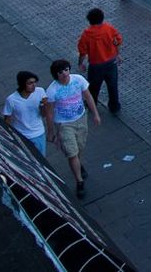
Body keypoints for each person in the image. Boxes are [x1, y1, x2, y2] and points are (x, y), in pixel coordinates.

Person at [44, 59, 101, 198]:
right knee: (72, 153)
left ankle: (79, 165)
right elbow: (49, 112)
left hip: (81, 119)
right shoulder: (52, 90)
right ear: (56, 75)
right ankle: (79, 181)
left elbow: (88, 97)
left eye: (66, 70)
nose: (65, 74)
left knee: (80, 147)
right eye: (60, 72)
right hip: (64, 124)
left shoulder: (78, 80)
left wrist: (95, 114)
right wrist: (51, 131)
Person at [77, 7, 122, 116]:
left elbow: (82, 51)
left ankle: (91, 104)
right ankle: (114, 106)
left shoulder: (86, 34)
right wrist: (117, 54)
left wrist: (81, 63)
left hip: (96, 65)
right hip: (111, 63)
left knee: (93, 87)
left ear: (89, 20)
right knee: (112, 86)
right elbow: (117, 41)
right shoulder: (109, 29)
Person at [3, 71, 48, 156]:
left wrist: (43, 105)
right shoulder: (11, 100)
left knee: (41, 158)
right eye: (30, 83)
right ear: (22, 84)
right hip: (22, 136)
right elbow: (7, 120)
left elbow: (44, 115)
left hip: (38, 133)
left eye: (35, 82)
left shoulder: (40, 91)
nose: (34, 85)